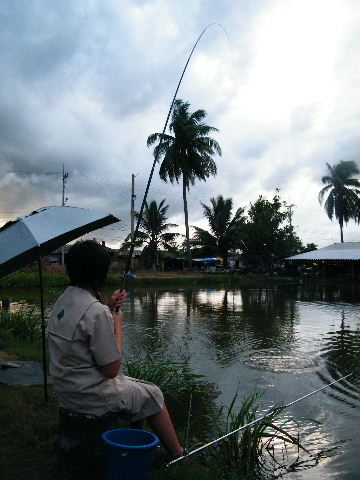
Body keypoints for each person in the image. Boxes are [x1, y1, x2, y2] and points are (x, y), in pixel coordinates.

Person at [48, 240, 183, 457]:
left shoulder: (63, 301)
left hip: (68, 390)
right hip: (92, 395)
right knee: (155, 394)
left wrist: (109, 308)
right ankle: (178, 454)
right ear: (99, 274)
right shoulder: (96, 312)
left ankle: (135, 445)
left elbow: (84, 328)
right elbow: (112, 369)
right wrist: (117, 323)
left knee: (142, 389)